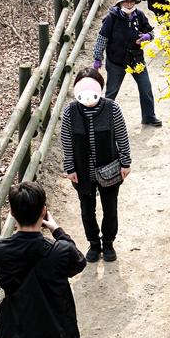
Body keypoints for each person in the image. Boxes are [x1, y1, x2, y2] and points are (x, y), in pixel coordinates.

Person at [0, 181, 87, 338]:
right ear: (43, 211)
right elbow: (79, 262)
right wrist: (57, 230)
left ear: (12, 213)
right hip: (58, 336)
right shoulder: (61, 251)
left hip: (17, 336)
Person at [61, 70, 132, 262]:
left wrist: (126, 162)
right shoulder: (70, 111)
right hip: (83, 171)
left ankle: (108, 243)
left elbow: (122, 136)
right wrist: (70, 168)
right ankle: (93, 243)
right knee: (87, 210)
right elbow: (66, 141)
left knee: (110, 209)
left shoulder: (112, 108)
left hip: (109, 168)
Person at [92, 0, 161, 127]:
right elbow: (102, 39)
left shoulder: (139, 15)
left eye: (131, 1)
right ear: (120, 3)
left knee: (146, 87)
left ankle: (148, 116)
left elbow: (151, 33)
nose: (129, 4)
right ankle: (104, 120)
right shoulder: (111, 18)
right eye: (126, 2)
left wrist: (148, 36)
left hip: (136, 60)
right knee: (111, 92)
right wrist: (97, 59)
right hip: (116, 61)